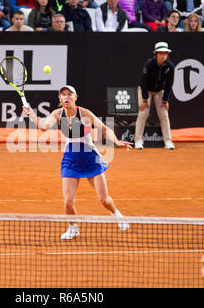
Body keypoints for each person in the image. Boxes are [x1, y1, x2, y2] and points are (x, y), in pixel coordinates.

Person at [23, 85, 133, 240]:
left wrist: (116, 141)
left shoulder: (84, 113)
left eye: (69, 94)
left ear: (75, 97)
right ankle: (73, 227)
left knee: (104, 199)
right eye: (63, 95)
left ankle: (117, 214)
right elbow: (43, 127)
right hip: (71, 158)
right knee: (68, 202)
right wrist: (32, 115)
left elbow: (104, 128)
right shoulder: (57, 113)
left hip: (90, 157)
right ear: (60, 99)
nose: (66, 97)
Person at [134, 42, 175, 150]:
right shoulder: (149, 64)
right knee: (143, 113)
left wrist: (165, 100)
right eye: (161, 53)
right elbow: (143, 82)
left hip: (159, 91)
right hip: (146, 90)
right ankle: (138, 141)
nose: (163, 56)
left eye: (165, 53)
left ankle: (168, 141)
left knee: (164, 115)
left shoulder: (170, 67)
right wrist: (144, 99)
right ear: (156, 54)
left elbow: (169, 85)